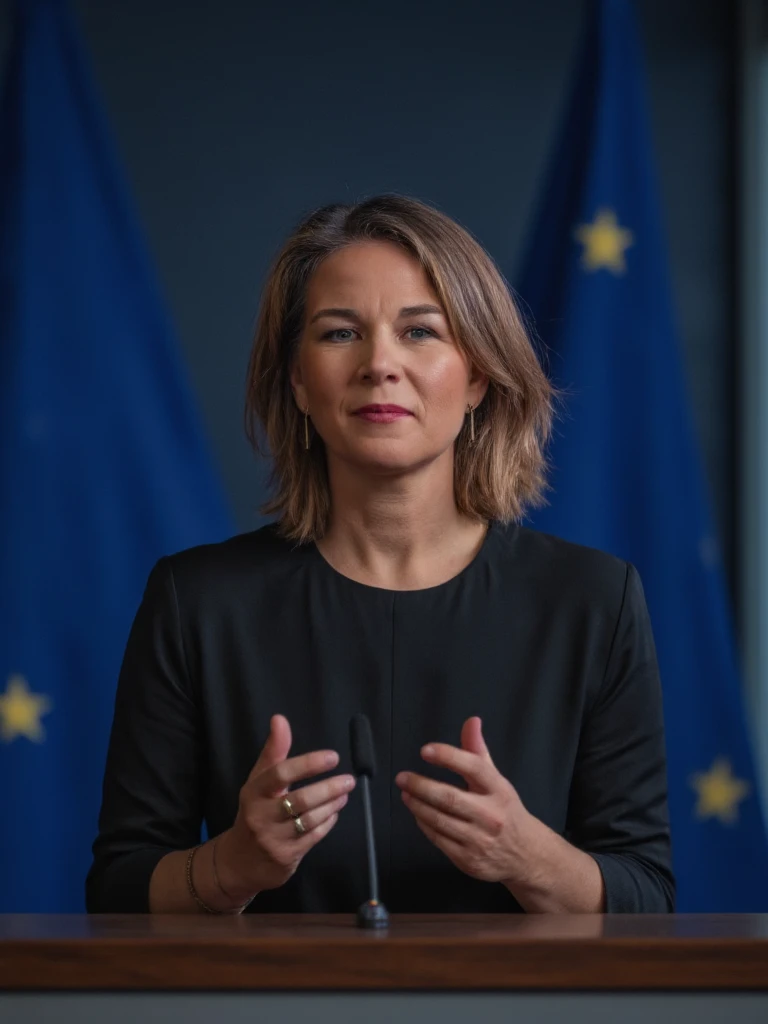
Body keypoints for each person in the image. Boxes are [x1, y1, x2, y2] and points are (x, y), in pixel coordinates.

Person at [85, 194, 675, 915]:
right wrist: (231, 865)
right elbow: (116, 890)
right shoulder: (197, 600)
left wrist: (530, 856)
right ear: (299, 382)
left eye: (420, 332)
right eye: (339, 334)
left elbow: (648, 897)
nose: (380, 365)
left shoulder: (593, 600)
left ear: (479, 378)